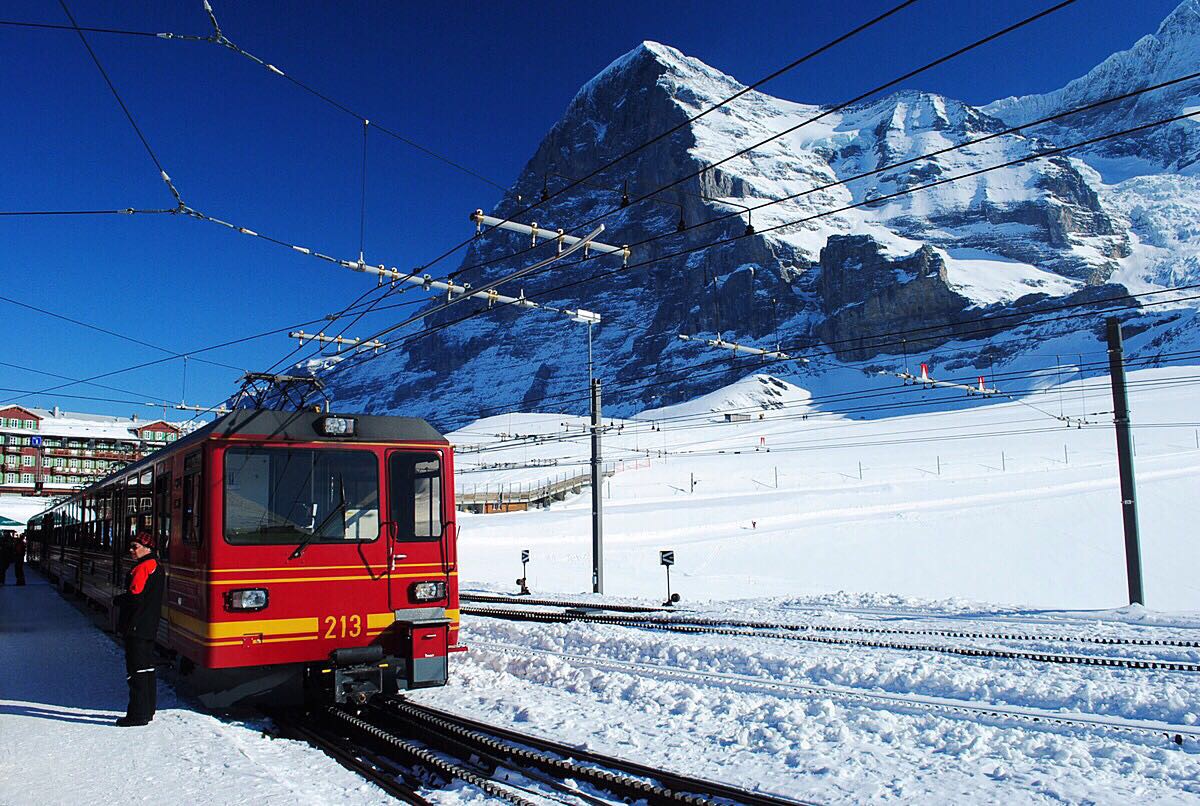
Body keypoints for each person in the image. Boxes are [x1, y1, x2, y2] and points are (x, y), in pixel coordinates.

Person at [113, 532, 165, 727]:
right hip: (149, 625)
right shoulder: (157, 567)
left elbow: (135, 596)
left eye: (135, 547)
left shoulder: (143, 568)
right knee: (147, 669)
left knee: (136, 672)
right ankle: (148, 709)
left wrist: (118, 600)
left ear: (147, 548)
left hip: (136, 626)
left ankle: (137, 714)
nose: (131, 550)